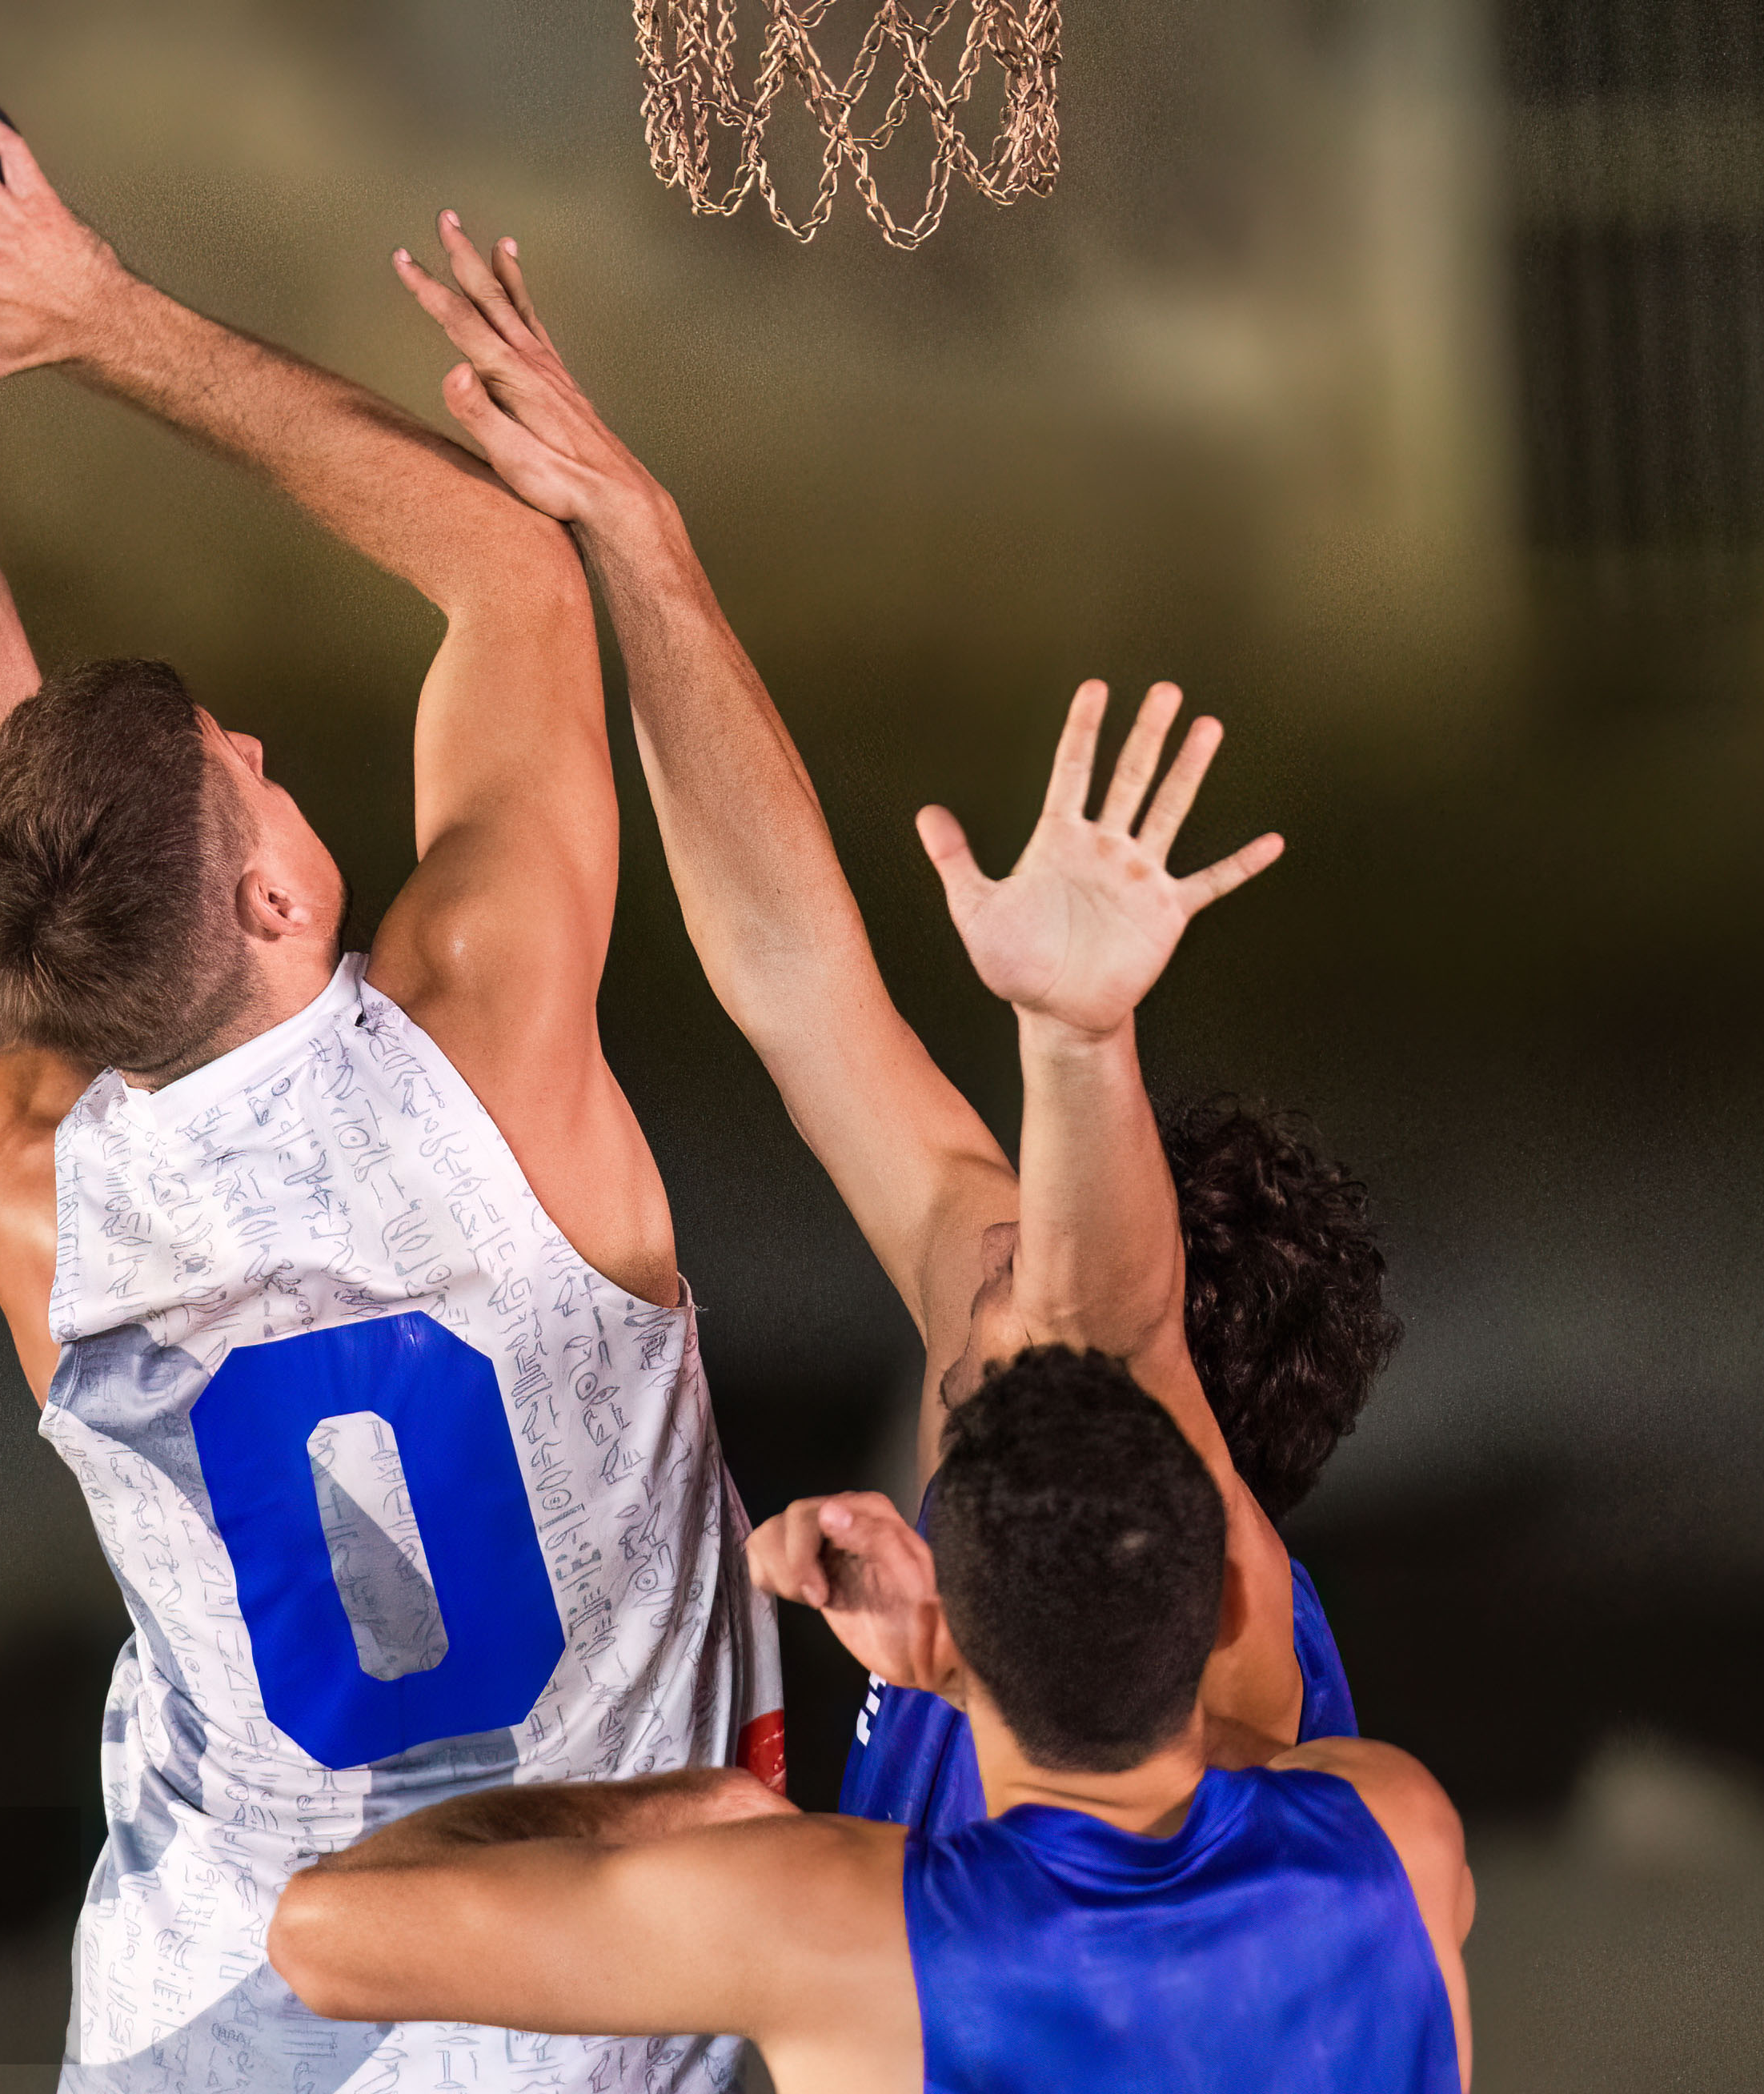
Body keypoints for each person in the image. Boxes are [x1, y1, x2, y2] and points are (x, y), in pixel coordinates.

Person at [0, 114, 780, 2094]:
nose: (281, 768)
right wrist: (88, 308)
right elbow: (511, 574)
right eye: (256, 771)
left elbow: (21, 916)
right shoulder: (490, 1022)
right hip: (585, 2067)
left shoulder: (28, 1176)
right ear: (285, 903)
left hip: (226, 2056)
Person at [381, 221, 1402, 1823]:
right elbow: (803, 987)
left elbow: (1119, 1310)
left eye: (1048, 1281)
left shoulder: (1236, 1642)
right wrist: (644, 542)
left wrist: (1080, 1037)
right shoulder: (1010, 1402)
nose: (989, 1254)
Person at [270, 1343, 1505, 2094]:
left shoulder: (844, 1934)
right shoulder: (1396, 1836)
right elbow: (1188, 1765)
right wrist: (978, 1666)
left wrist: (685, 1813)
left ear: (959, 1645)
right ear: (1231, 1606)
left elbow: (324, 1938)